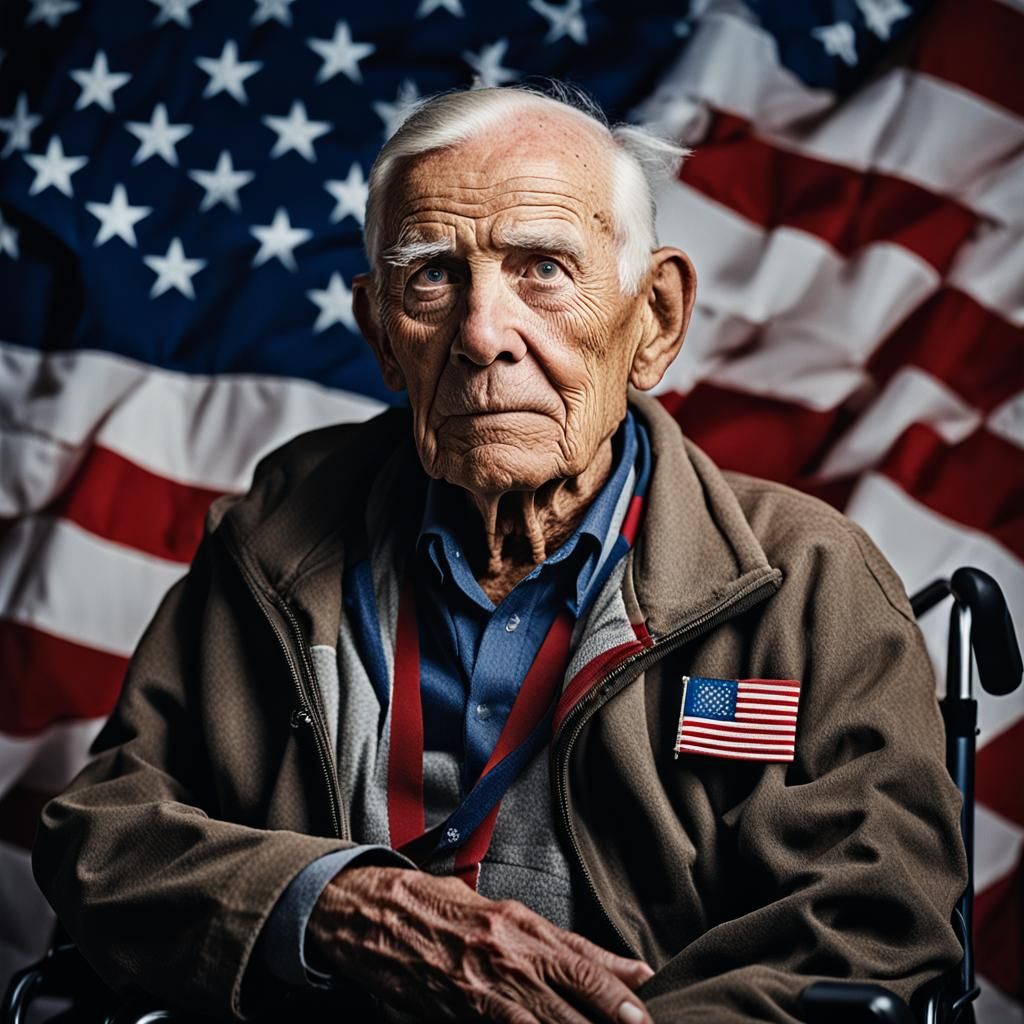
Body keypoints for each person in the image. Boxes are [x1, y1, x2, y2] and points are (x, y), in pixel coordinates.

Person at [33, 84, 966, 1024]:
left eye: (545, 269)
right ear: (383, 338)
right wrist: (337, 906)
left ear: (655, 320)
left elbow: (871, 929)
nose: (482, 336)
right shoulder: (275, 539)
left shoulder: (800, 583)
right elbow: (103, 838)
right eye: (432, 277)